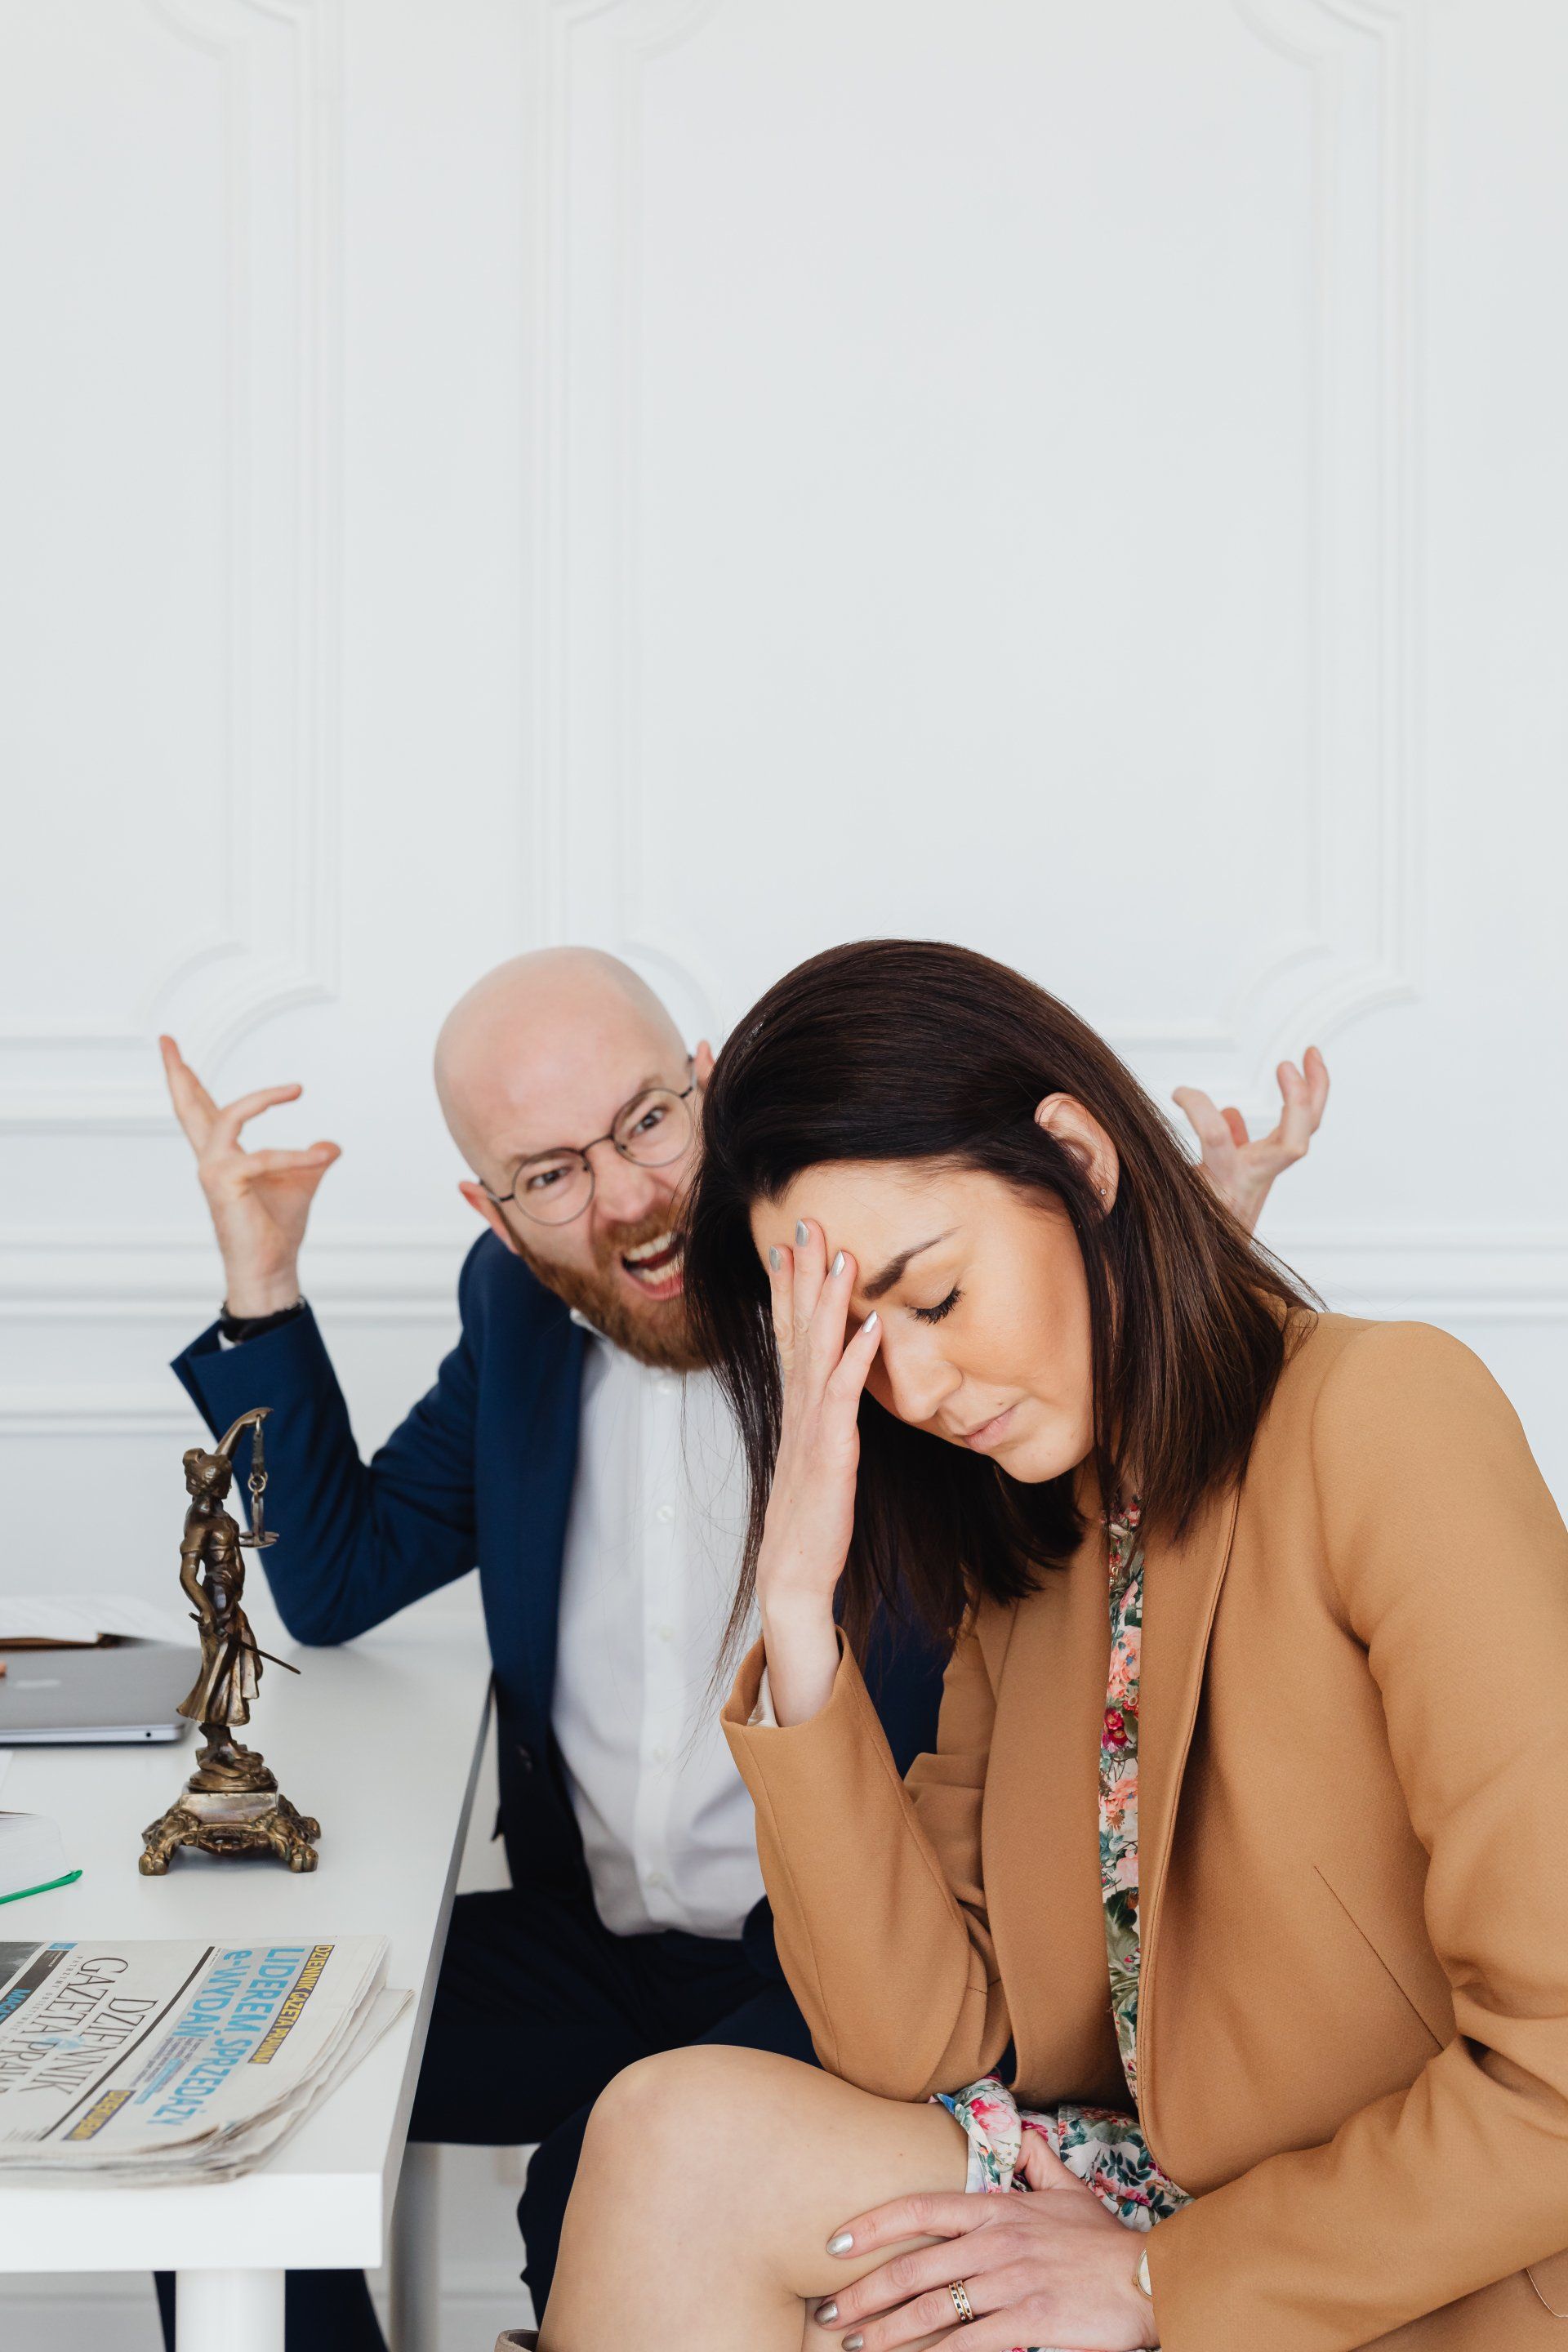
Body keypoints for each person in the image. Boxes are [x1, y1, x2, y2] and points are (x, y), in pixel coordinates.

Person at [156, 947, 1325, 2351]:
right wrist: (263, 1283)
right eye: (551, 1174)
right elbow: (338, 1577)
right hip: (587, 1945)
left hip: (829, 1965)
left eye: (647, 1121)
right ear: (497, 1212)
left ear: (707, 1087)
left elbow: (1102, 1459)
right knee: (217, 2088)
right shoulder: (515, 1319)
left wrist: (1175, 1248)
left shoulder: (888, 1324)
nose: (633, 1196)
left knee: (591, 2182)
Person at [538, 939, 1568, 2352]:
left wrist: (1162, 2283)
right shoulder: (1037, 1550)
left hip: (1419, 2270)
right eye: (856, 1348)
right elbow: (923, 2046)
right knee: (673, 2138)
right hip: (1153, 2206)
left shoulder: (1387, 1420)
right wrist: (795, 1614)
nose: (917, 1389)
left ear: (1080, 1160)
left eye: (936, 1299)